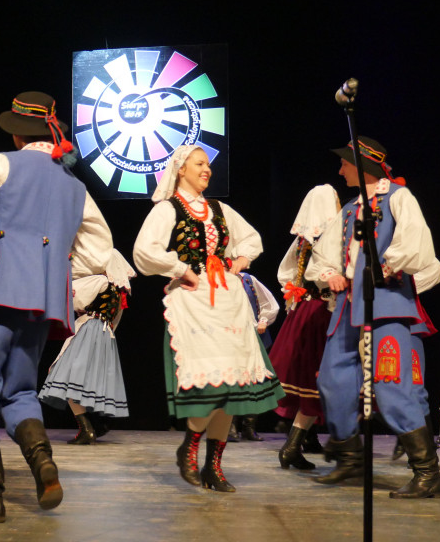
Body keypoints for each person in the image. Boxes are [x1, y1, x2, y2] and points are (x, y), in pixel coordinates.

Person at [0, 91, 112, 522]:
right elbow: (99, 248)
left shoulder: (1, 165)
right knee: (20, 391)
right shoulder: (75, 186)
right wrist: (55, 263)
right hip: (42, 298)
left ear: (16, 136)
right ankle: (43, 465)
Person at [133, 144, 282, 493]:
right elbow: (144, 251)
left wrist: (240, 261)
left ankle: (213, 466)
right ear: (181, 169)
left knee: (232, 385)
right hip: (193, 301)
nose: (207, 169)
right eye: (199, 164)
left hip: (227, 301)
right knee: (211, 384)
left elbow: (251, 240)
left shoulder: (220, 209)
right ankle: (190, 446)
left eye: (208, 164)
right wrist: (181, 268)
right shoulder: (167, 209)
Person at [305, 136, 440, 498]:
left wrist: (387, 265)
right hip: (350, 309)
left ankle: (428, 475)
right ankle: (350, 459)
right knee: (333, 381)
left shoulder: (398, 197)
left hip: (386, 306)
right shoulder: (350, 209)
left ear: (362, 164)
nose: (340, 170)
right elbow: (324, 255)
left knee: (392, 385)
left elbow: (416, 243)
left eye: (344, 163)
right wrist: (330, 273)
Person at [268, 184, 341, 471]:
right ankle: (294, 446)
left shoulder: (303, 240)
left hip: (304, 309)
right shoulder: (328, 238)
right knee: (317, 381)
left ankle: (306, 440)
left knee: (309, 381)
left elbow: (285, 273)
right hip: (322, 311)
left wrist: (296, 293)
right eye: (335, 200)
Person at [39, 249, 135, 444]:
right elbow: (116, 319)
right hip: (105, 333)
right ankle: (95, 424)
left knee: (64, 376)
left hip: (88, 328)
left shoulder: (98, 282)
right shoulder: (118, 291)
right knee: (87, 382)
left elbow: (73, 297)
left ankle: (87, 428)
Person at [228, 272, 280, 443]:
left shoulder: (247, 280)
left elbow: (269, 302)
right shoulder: (214, 278)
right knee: (233, 380)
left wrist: (264, 320)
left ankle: (249, 427)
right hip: (230, 337)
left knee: (256, 380)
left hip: (254, 335)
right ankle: (230, 426)